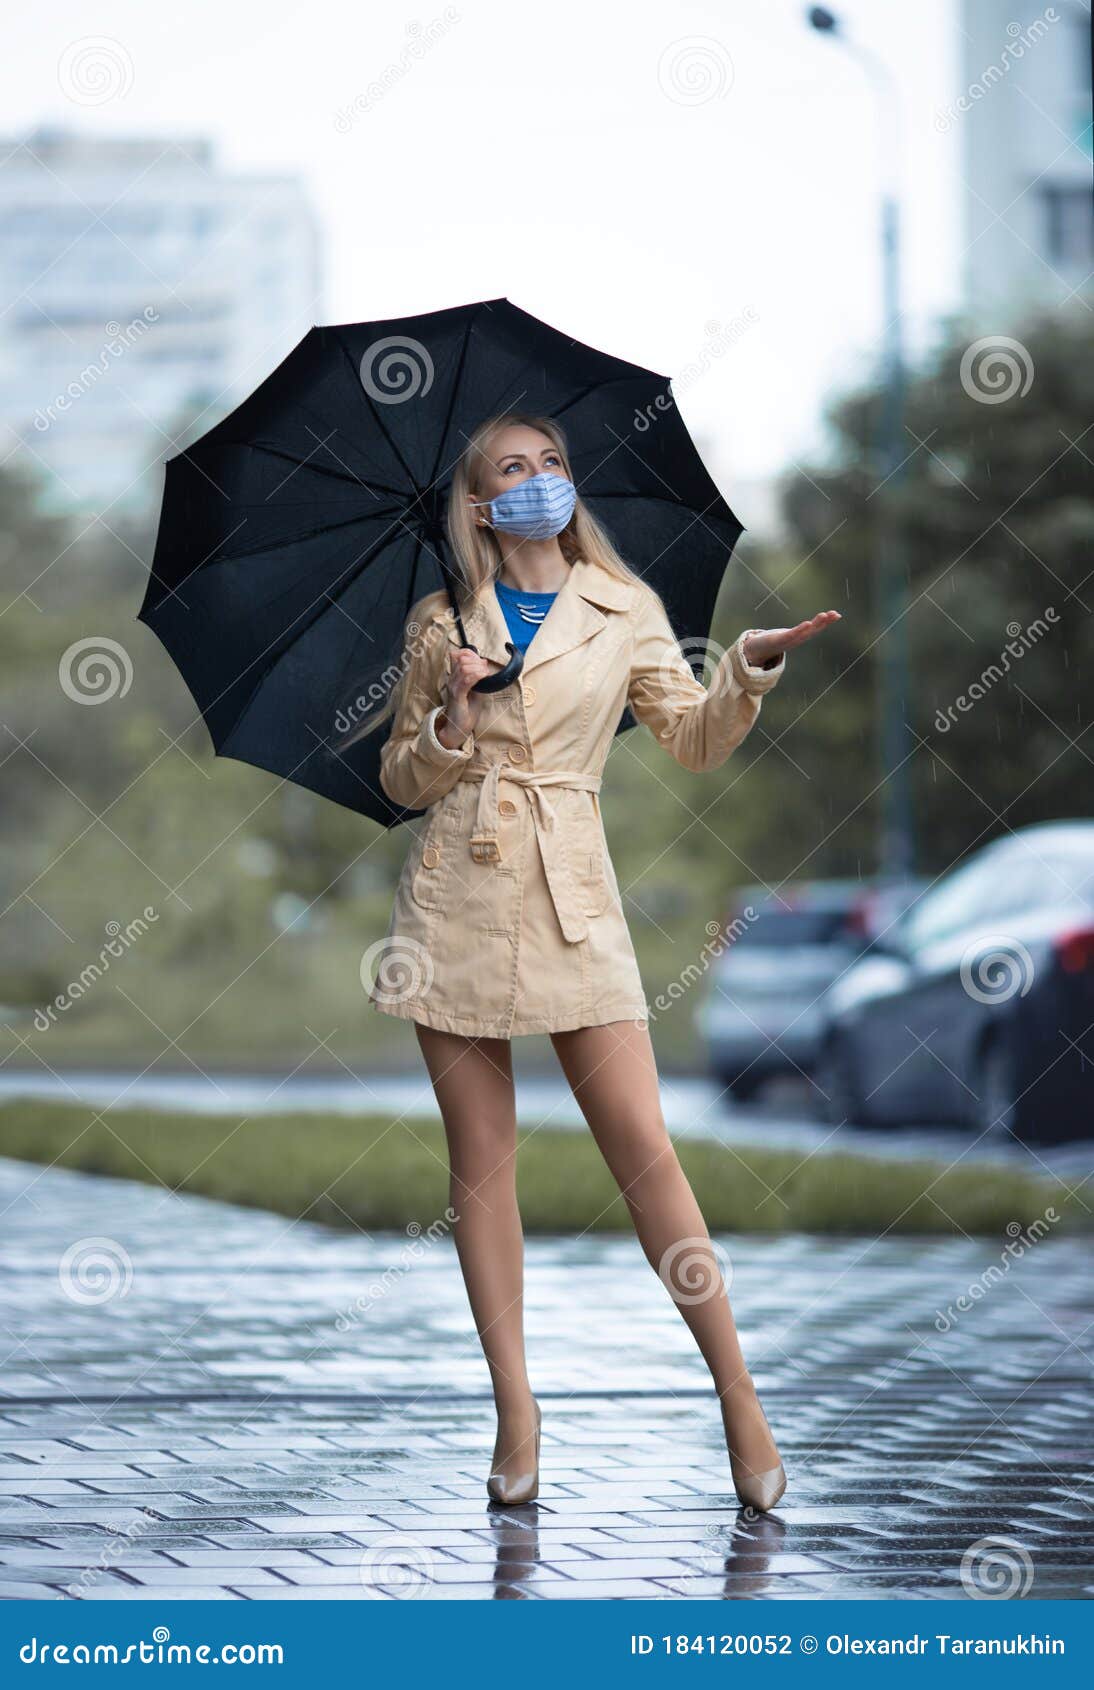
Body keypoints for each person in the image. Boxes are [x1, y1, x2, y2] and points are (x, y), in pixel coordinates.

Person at [368, 412, 840, 1509]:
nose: (539, 482)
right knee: (479, 1170)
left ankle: (736, 1392)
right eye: (511, 471)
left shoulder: (627, 610)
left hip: (573, 888)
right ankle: (516, 1412)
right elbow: (398, 778)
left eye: (551, 464)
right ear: (478, 506)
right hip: (459, 892)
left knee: (644, 1147)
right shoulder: (442, 622)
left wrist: (746, 674)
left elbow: (690, 735)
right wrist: (447, 712)